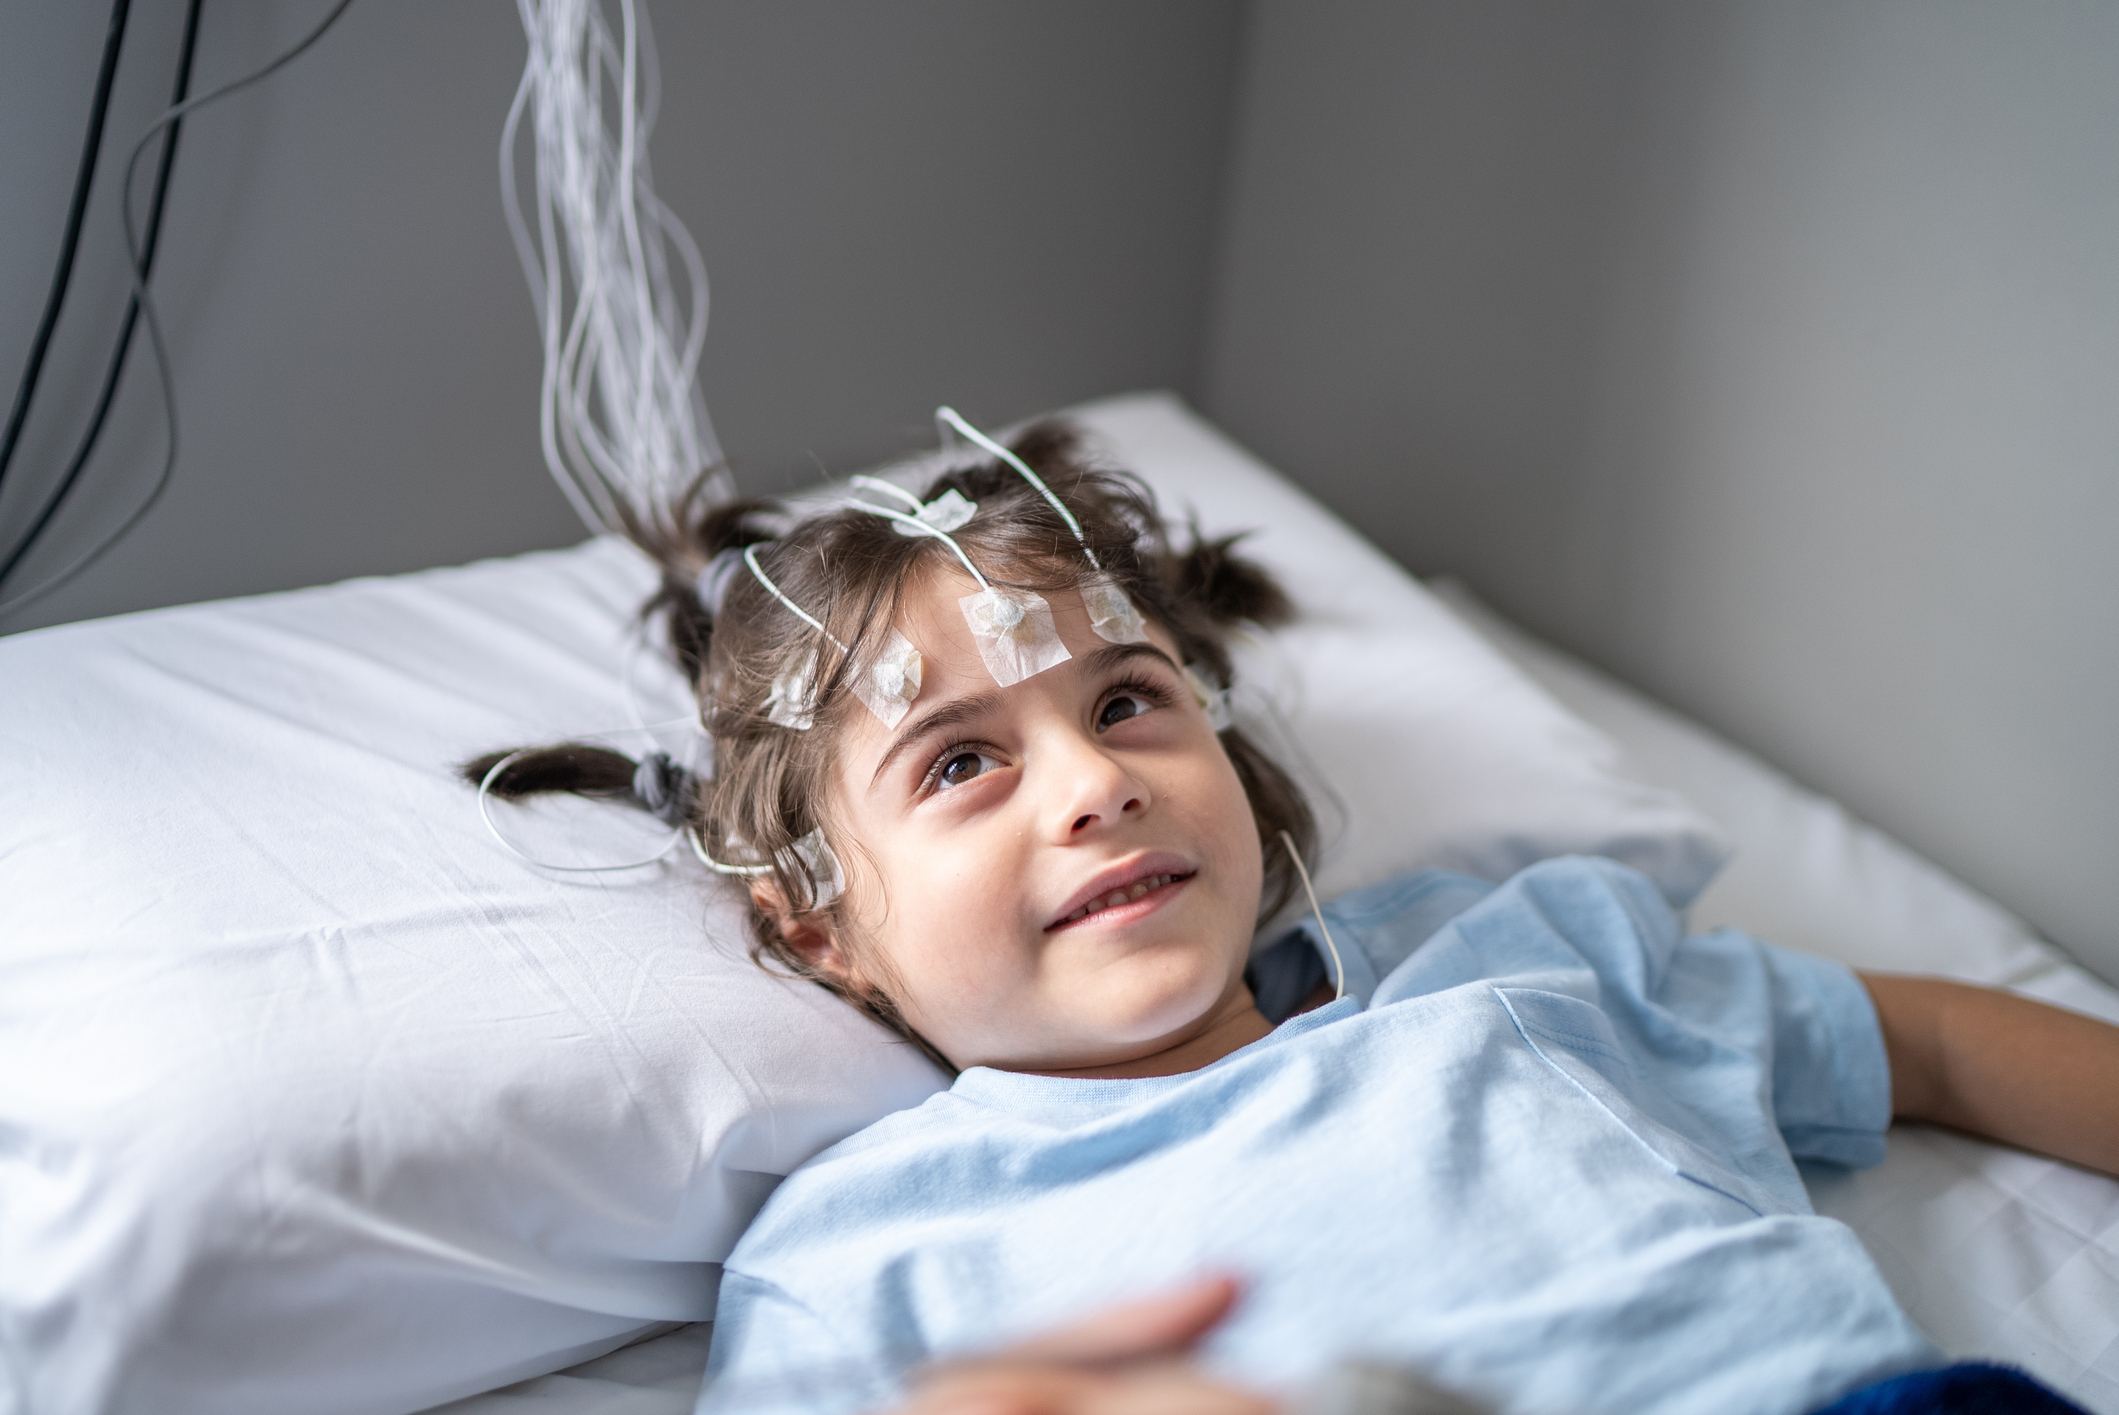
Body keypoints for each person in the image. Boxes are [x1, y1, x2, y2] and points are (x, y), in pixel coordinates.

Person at [471, 421, 2119, 1415]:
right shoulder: (864, 1259)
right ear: (822, 932)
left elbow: (1933, 1046)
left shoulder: (1520, 964)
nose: (1091, 786)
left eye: (1127, 704)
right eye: (961, 761)